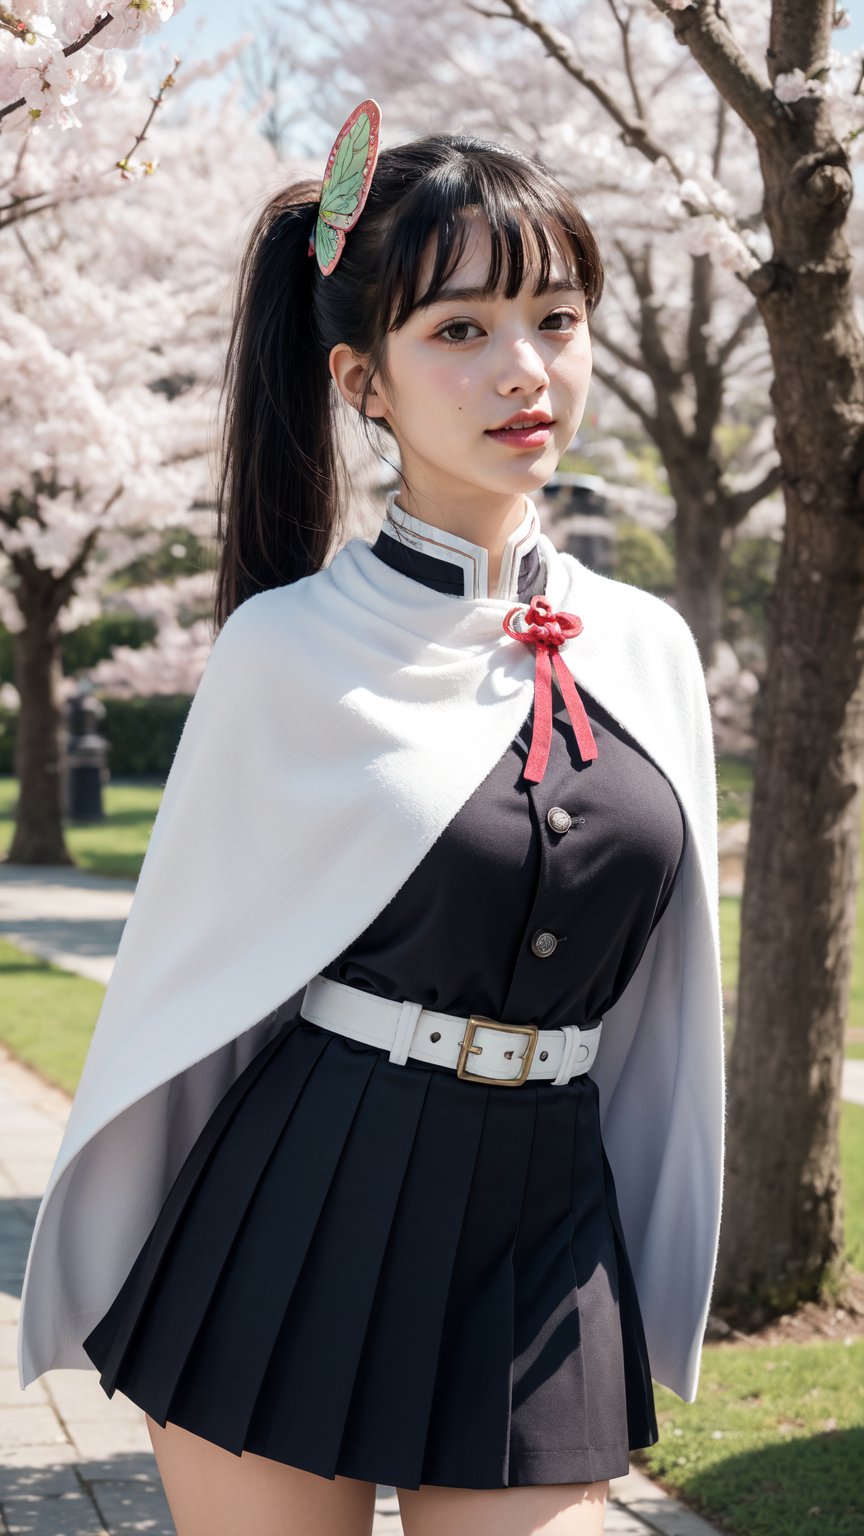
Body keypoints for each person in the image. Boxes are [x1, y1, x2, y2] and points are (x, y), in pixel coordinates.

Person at [16, 100, 725, 1536]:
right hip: (302, 1214)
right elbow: (188, 992)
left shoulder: (648, 645)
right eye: (458, 330)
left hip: (544, 1232)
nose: (524, 368)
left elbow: (668, 1016)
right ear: (365, 382)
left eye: (556, 316)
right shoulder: (287, 650)